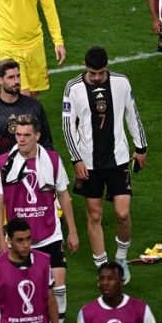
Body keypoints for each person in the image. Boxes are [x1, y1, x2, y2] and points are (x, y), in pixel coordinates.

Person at [62, 46, 148, 284]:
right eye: (93, 73)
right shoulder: (73, 88)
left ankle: (120, 259)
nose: (97, 77)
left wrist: (141, 147)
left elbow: (133, 115)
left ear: (107, 67)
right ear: (85, 67)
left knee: (122, 213)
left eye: (101, 72)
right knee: (95, 215)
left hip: (118, 158)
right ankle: (103, 266)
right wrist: (76, 158)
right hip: (89, 163)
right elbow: (67, 127)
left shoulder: (121, 83)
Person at [0, 115, 79, 323]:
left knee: (58, 287)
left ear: (37, 135)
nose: (21, 140)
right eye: (18, 135)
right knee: (19, 291)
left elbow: (64, 196)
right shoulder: (3, 163)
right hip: (19, 240)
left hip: (50, 234)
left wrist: (73, 232)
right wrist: (1, 237)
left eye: (26, 135)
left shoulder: (53, 160)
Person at [0, 58, 56, 198]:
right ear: (0, 80)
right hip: (0, 177)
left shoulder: (34, 107)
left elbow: (46, 143)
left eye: (18, 76)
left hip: (32, 175)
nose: (17, 81)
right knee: (6, 219)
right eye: (11, 77)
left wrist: (49, 175)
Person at [0, 217, 58, 323]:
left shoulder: (44, 262)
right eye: (20, 240)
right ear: (9, 240)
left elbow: (50, 298)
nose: (26, 245)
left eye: (28, 239)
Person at [74, 261, 161, 323]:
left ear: (122, 281)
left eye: (111, 278)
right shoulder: (86, 313)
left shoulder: (141, 310)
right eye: (101, 279)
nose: (105, 283)